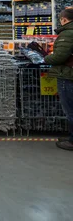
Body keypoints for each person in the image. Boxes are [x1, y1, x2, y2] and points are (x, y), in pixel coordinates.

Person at [45, 8, 73, 150]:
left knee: (70, 109)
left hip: (68, 75)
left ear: (64, 19)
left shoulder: (67, 34)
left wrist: (45, 57)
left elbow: (60, 56)